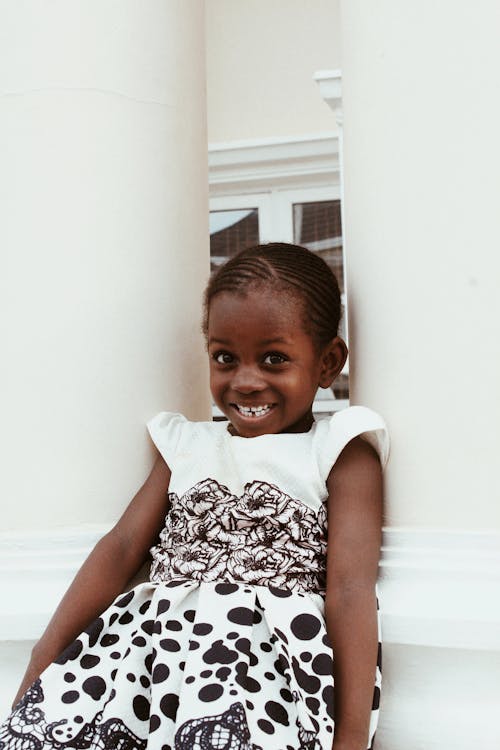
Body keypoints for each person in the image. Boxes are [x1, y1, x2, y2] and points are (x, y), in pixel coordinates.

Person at [0, 242, 388, 750]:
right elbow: (120, 549)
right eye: (225, 358)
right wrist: (42, 659)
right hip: (147, 666)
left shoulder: (338, 451)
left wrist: (353, 733)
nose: (245, 382)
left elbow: (351, 589)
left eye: (274, 359)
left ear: (327, 362)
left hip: (258, 679)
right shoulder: (186, 444)